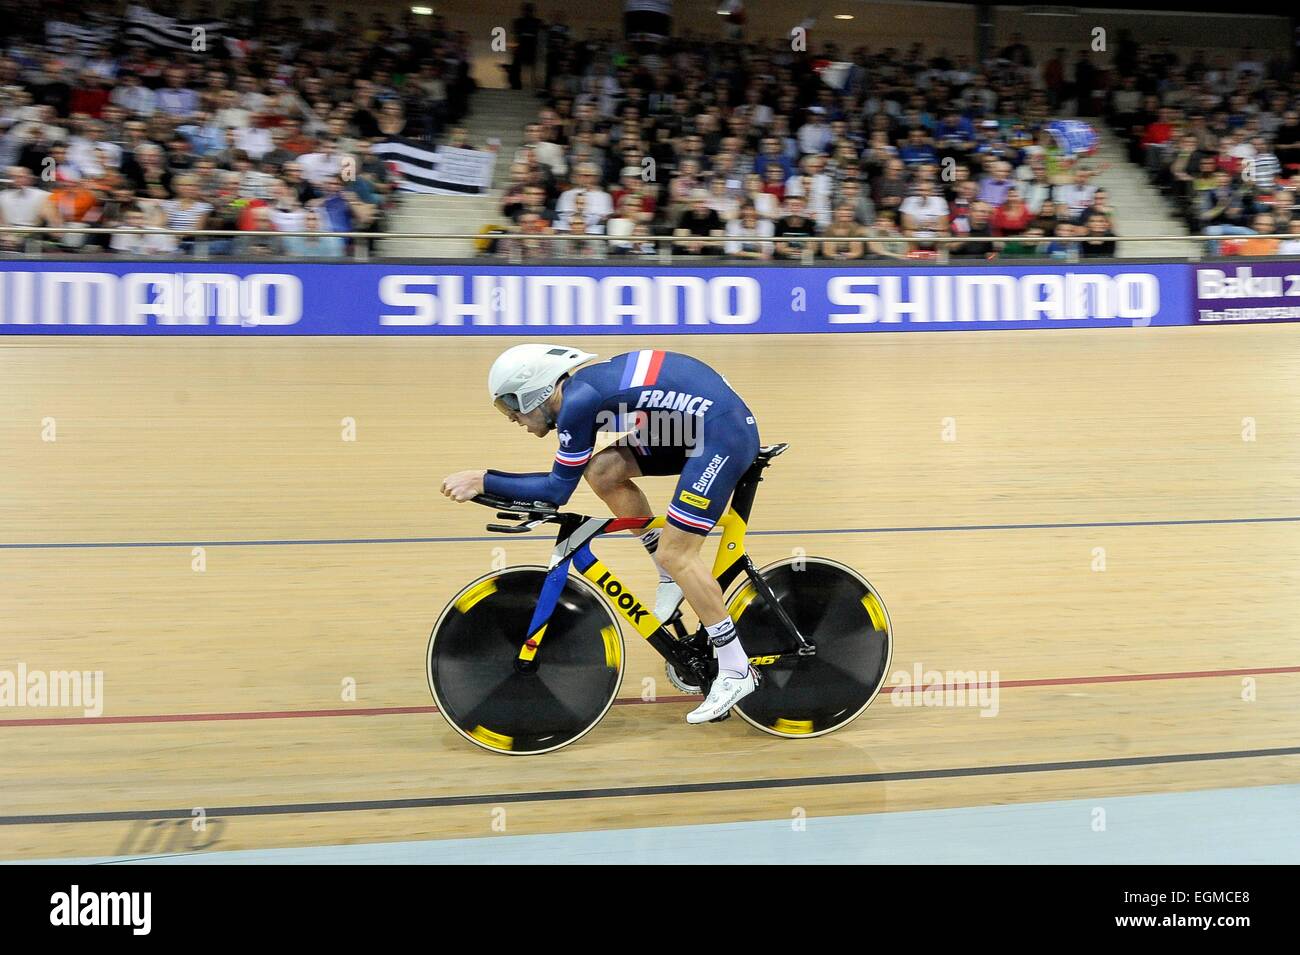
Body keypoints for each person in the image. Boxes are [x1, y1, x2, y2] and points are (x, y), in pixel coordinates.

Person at [441, 345, 763, 723]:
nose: (512, 418)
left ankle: (736, 669)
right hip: (688, 424)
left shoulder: (578, 402)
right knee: (603, 472)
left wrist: (483, 479)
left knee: (680, 554)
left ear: (537, 392)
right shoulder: (580, 396)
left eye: (512, 405)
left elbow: (555, 490)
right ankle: (669, 578)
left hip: (721, 434)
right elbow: (571, 479)